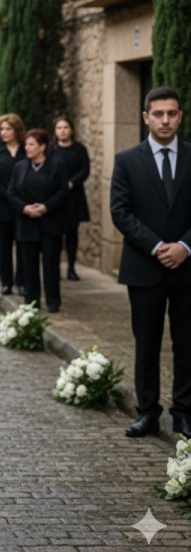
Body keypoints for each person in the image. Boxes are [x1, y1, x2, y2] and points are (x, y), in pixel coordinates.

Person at [110, 86, 191, 440]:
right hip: (145, 267)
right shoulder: (127, 160)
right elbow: (120, 212)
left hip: (188, 266)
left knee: (187, 342)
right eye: (158, 114)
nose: (165, 120)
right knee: (147, 343)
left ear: (180, 117)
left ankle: (184, 413)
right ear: (146, 117)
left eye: (172, 113)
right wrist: (158, 246)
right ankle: (148, 412)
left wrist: (186, 246)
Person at [7, 129, 68, 313]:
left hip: (50, 222)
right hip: (27, 223)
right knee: (28, 264)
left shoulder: (57, 166)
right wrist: (25, 208)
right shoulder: (20, 167)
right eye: (26, 144)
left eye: (31, 144)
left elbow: (63, 191)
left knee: (51, 264)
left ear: (42, 147)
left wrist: (45, 207)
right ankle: (31, 300)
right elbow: (11, 192)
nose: (27, 148)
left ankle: (53, 300)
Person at [0, 114, 26, 296]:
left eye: (8, 129)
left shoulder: (26, 150)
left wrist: (18, 198)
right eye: (1, 129)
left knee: (23, 246)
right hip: (1, 205)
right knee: (4, 247)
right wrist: (9, 196)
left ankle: (22, 281)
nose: (4, 133)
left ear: (16, 130)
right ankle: (6, 282)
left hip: (22, 206)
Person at [49, 117, 90, 281]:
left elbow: (85, 169)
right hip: (56, 198)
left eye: (66, 127)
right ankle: (55, 269)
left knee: (72, 234)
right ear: (55, 131)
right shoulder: (51, 149)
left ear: (71, 129)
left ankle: (71, 268)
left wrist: (72, 182)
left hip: (74, 197)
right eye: (59, 128)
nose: (63, 130)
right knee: (56, 235)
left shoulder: (79, 149)